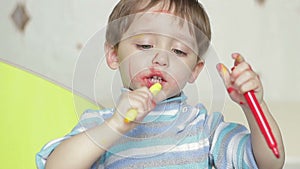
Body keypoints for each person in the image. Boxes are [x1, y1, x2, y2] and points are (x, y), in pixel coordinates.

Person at [36, 0, 285, 169]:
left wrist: (254, 107)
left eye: (179, 51)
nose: (161, 58)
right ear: (114, 54)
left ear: (194, 71)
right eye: (145, 45)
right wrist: (114, 127)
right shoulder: (98, 126)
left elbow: (269, 162)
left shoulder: (203, 128)